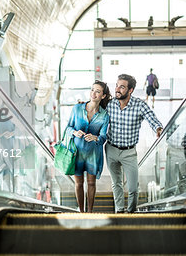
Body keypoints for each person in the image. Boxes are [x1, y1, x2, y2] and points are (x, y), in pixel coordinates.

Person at [106, 74, 163, 213]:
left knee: (133, 188)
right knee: (116, 184)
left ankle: (131, 212)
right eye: (117, 85)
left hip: (129, 152)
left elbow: (151, 117)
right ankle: (119, 211)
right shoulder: (110, 104)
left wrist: (158, 128)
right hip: (111, 150)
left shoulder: (139, 105)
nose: (117, 89)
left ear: (130, 90)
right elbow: (94, 109)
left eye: (122, 87)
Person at [65, 80, 111, 212]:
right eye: (92, 90)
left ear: (103, 96)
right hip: (77, 152)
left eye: (97, 91)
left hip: (93, 153)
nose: (93, 93)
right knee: (79, 184)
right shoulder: (77, 108)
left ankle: (90, 212)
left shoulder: (104, 115)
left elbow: (103, 137)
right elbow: (68, 128)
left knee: (91, 183)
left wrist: (95, 137)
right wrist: (74, 132)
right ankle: (81, 212)